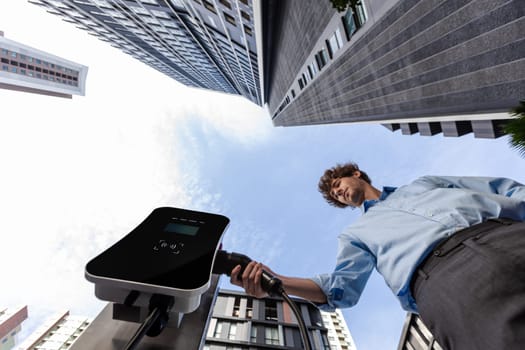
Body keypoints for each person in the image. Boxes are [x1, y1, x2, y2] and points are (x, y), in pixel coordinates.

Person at [231, 162, 525, 350]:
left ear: (355, 174)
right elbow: (339, 289)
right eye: (335, 196)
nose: (339, 193)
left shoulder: (424, 183)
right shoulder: (356, 234)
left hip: (508, 235)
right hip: (446, 283)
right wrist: (278, 280)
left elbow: (500, 188)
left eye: (338, 186)